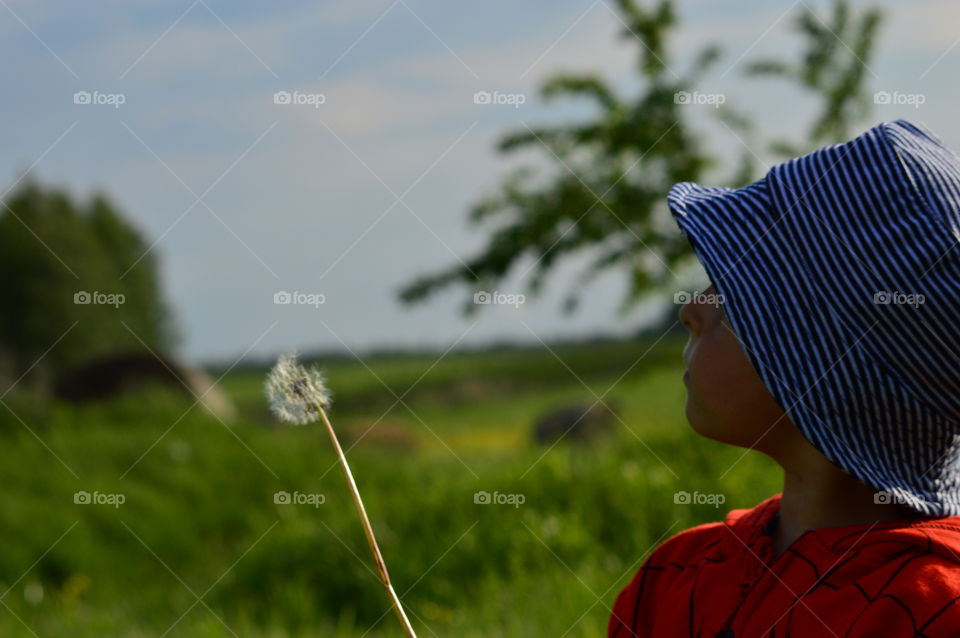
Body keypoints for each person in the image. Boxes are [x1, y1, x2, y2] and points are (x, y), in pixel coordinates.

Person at [608, 119, 960, 637]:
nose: (693, 310)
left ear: (820, 364)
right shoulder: (676, 574)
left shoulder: (931, 610)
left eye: (736, 293)